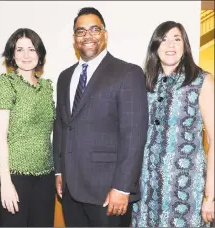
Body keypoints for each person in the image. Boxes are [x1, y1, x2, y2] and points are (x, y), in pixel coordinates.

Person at [53, 7, 149, 227]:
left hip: (108, 192)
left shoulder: (128, 73)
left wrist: (123, 187)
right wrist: (59, 170)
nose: (88, 36)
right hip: (70, 191)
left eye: (95, 29)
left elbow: (134, 136)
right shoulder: (65, 77)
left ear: (105, 34)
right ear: (74, 38)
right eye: (81, 31)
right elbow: (61, 125)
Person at [132, 21, 214, 227]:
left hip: (186, 191)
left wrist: (210, 197)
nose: (170, 45)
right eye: (164, 39)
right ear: (155, 47)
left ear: (184, 46)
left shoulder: (202, 81)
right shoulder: (144, 83)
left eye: (176, 39)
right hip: (146, 189)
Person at [0, 28, 55, 227]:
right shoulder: (5, 84)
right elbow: (0, 137)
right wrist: (6, 183)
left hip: (45, 175)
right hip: (12, 175)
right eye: (20, 50)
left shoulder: (46, 87)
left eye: (32, 49)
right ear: (12, 54)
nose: (26, 55)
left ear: (40, 54)